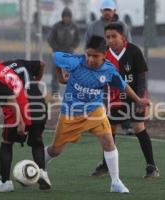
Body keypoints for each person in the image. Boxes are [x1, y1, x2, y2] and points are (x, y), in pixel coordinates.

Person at [43, 36, 151, 193]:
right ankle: (39, 165)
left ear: (104, 55)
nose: (90, 59)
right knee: (55, 150)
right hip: (71, 112)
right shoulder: (76, 62)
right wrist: (60, 77)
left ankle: (115, 182)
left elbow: (123, 86)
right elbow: (55, 56)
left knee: (108, 141)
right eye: (88, 54)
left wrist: (139, 100)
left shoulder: (109, 70)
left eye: (95, 56)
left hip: (95, 110)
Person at [0, 57, 51, 192]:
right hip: (39, 105)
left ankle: (5, 182)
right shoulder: (15, 63)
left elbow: (12, 100)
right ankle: (42, 173)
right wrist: (36, 83)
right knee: (37, 141)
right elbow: (42, 64)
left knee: (6, 142)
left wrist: (20, 122)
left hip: (20, 111)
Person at [91, 23, 159, 178]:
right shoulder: (105, 55)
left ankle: (151, 166)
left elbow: (142, 77)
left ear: (123, 36)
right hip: (114, 99)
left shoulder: (133, 51)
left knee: (138, 127)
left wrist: (140, 98)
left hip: (135, 96)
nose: (110, 40)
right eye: (107, 37)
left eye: (114, 36)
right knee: (109, 130)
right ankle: (106, 164)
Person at [85, 0, 134, 136]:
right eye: (105, 10)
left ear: (114, 11)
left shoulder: (122, 26)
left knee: (122, 93)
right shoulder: (93, 26)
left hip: (118, 64)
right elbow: (87, 45)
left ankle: (126, 125)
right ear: (101, 11)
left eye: (109, 10)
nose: (107, 12)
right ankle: (98, 123)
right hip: (99, 65)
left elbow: (128, 45)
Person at [47, 7, 80, 96]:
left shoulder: (74, 27)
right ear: (62, 17)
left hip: (69, 54)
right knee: (56, 73)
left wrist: (73, 47)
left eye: (68, 17)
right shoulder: (56, 26)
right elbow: (50, 39)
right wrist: (55, 48)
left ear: (70, 17)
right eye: (64, 16)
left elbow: (77, 39)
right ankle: (55, 92)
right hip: (58, 53)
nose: (66, 18)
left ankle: (71, 92)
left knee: (71, 73)